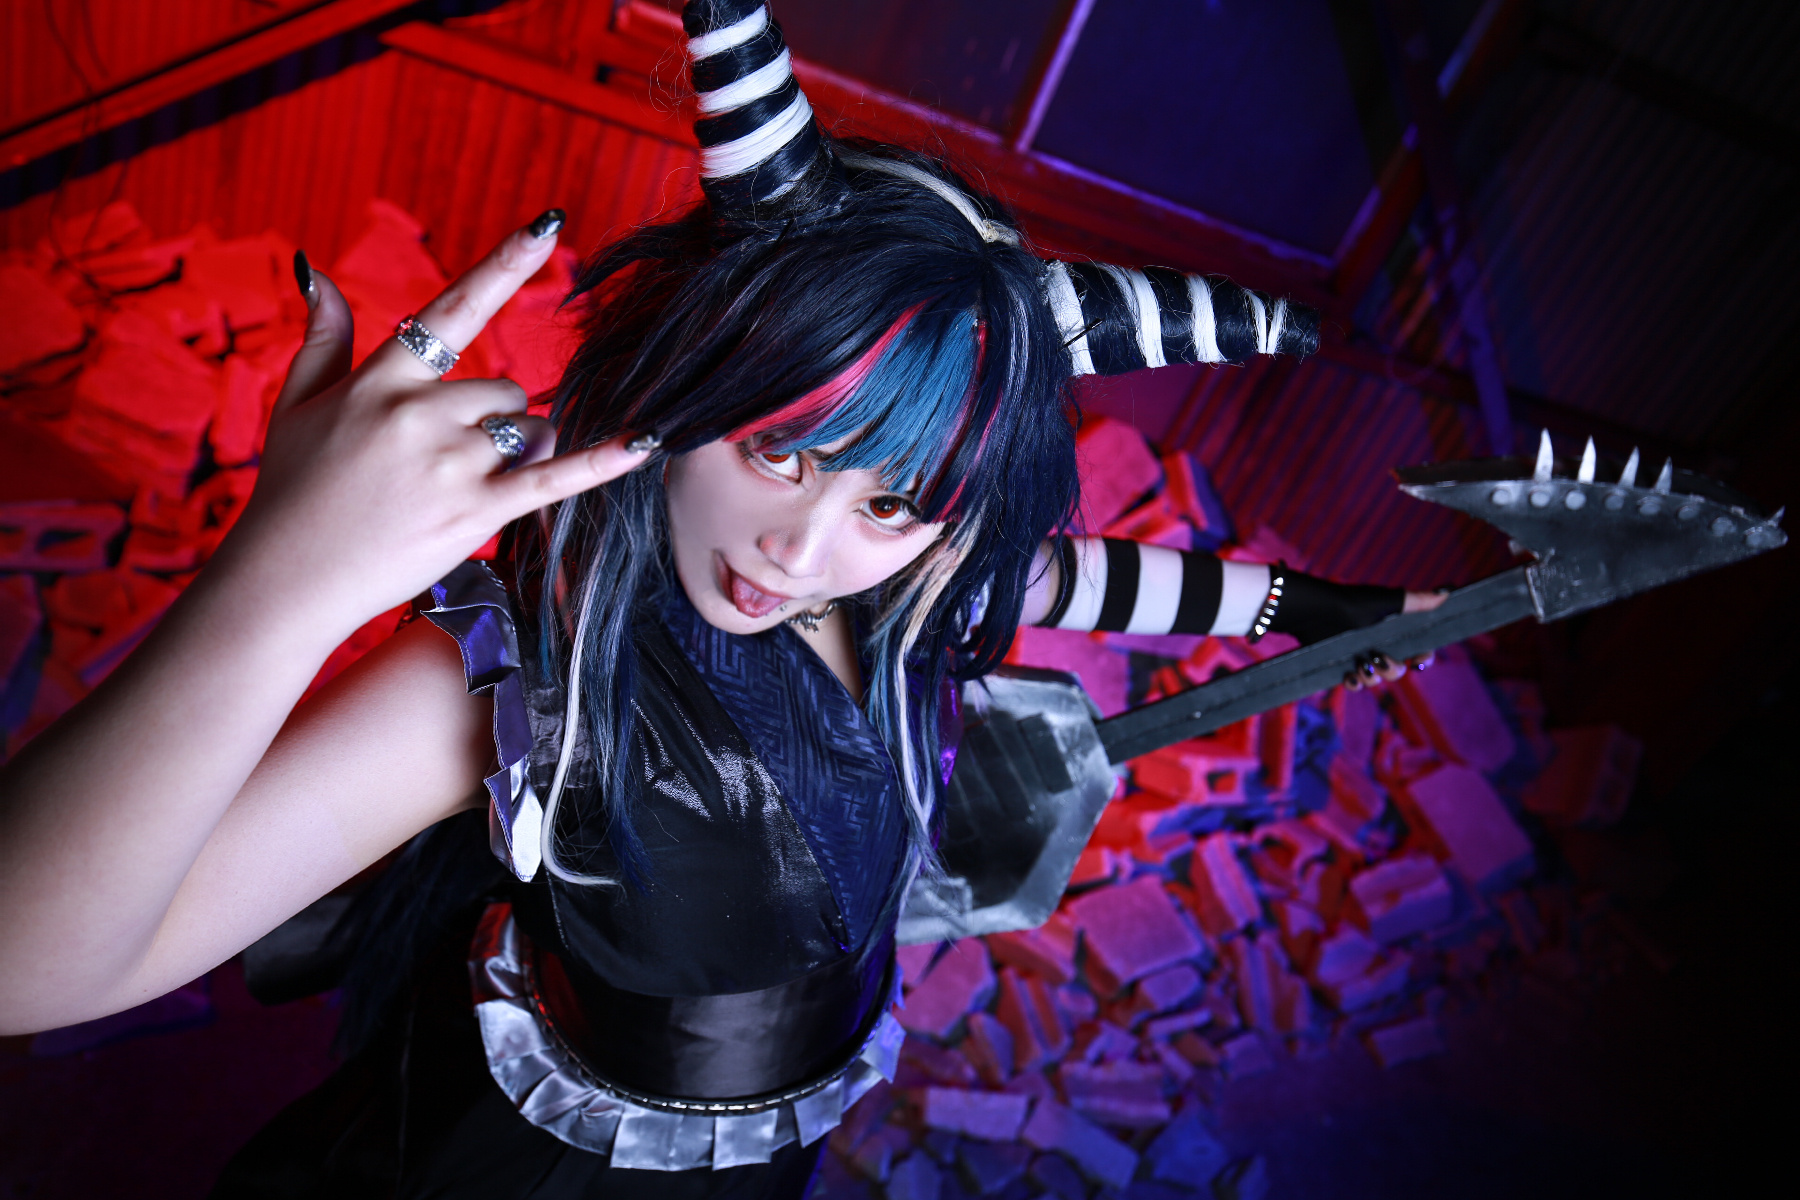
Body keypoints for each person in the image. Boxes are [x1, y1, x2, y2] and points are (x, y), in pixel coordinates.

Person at [0, 3, 1440, 1195]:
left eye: (892, 501)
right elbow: (25, 967)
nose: (802, 553)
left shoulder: (904, 580)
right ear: (687, 376)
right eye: (778, 449)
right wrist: (282, 580)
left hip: (767, 1151)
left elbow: (1068, 575)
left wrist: (1306, 610)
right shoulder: (537, 674)